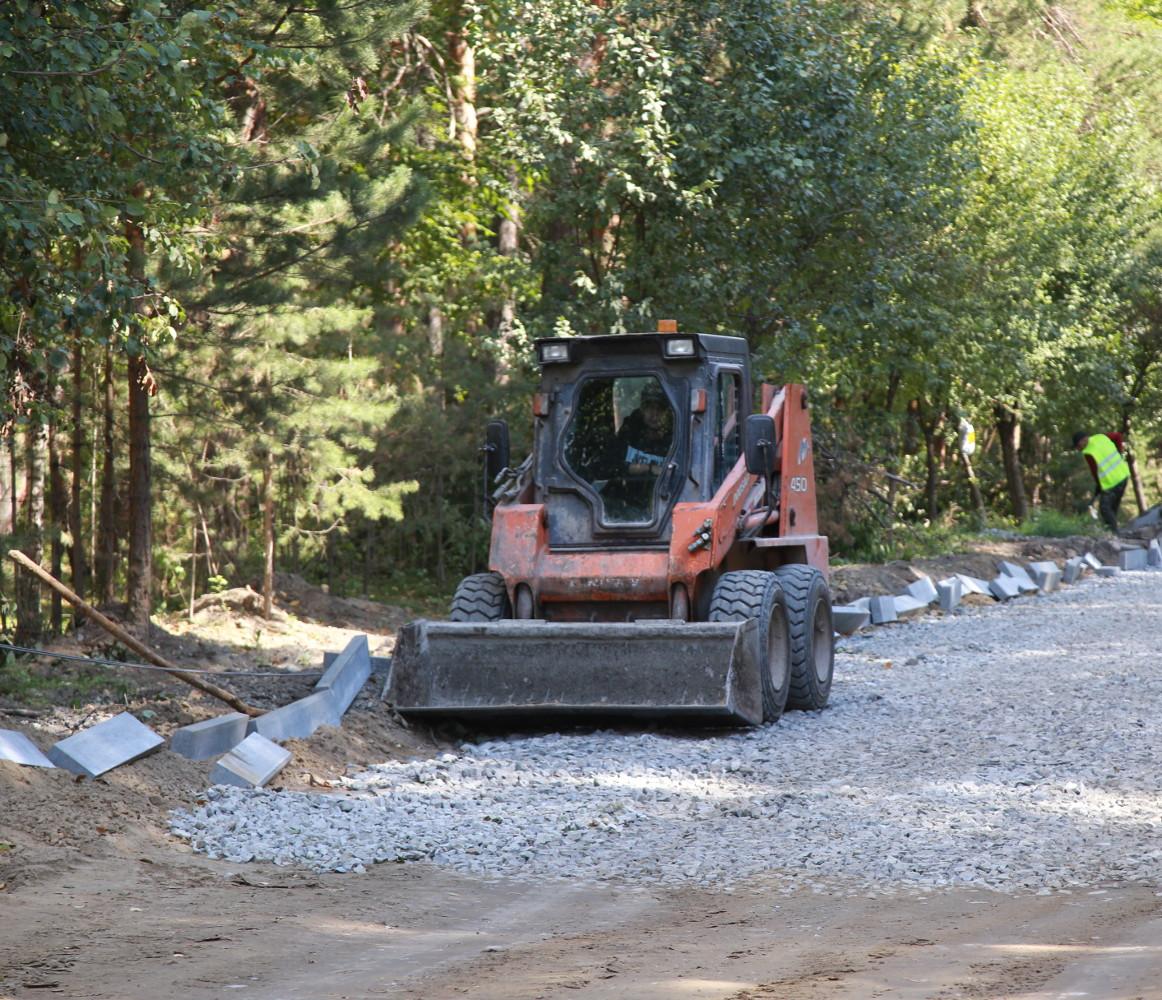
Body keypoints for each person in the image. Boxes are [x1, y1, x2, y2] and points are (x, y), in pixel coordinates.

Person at [1072, 430, 1130, 531]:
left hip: (1111, 482)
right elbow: (1118, 436)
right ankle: (1115, 532)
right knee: (1112, 509)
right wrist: (1119, 452)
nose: (1078, 449)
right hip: (1123, 476)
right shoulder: (1101, 437)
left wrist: (1098, 486)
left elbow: (1095, 471)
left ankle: (1115, 534)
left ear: (1083, 440)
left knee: (1105, 509)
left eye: (1078, 446)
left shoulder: (1088, 452)